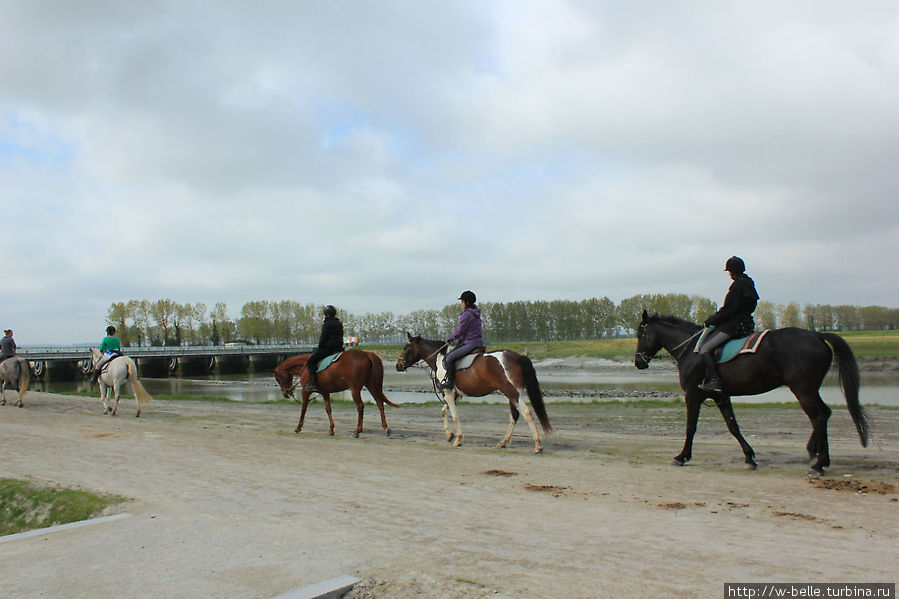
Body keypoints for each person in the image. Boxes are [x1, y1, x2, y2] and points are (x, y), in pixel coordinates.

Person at [698, 256, 760, 392]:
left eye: (729, 271)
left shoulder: (738, 286)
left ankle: (715, 381)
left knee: (705, 349)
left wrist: (712, 320)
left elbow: (728, 310)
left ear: (732, 271)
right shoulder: (749, 284)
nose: (729, 274)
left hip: (734, 326)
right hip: (747, 324)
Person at [440, 290, 484, 390]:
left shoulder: (466, 314)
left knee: (449, 358)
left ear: (466, 302)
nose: (461, 304)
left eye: (462, 302)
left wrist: (451, 338)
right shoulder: (476, 313)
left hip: (470, 343)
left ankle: (450, 383)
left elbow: (460, 331)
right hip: (478, 342)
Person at [304, 305, 344, 393]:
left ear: (327, 315)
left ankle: (313, 384)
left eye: (325, 314)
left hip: (328, 349)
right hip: (339, 349)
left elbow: (323, 338)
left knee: (310, 362)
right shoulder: (339, 323)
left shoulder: (326, 324)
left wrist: (319, 348)